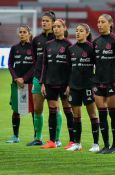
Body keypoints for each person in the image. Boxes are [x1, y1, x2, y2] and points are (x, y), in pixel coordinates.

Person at [30, 11, 63, 146]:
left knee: (55, 108)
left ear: (53, 23)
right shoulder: (37, 40)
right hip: (38, 78)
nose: (44, 23)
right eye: (42, 20)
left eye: (47, 21)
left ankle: (57, 138)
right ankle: (38, 138)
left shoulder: (58, 39)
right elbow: (34, 59)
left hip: (53, 80)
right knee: (37, 108)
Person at [40, 19, 74, 149]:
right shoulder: (48, 44)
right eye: (54, 27)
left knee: (68, 111)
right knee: (52, 111)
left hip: (64, 84)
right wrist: (43, 82)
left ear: (64, 28)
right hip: (50, 82)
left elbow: (71, 67)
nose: (55, 29)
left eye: (58, 26)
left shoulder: (69, 45)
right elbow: (44, 64)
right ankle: (52, 141)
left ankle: (72, 141)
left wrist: (69, 84)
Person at [65, 23, 99, 151]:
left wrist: (94, 84)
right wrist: (68, 84)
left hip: (88, 87)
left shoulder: (92, 48)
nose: (78, 33)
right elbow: (68, 69)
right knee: (76, 116)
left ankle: (96, 144)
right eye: (77, 30)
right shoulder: (71, 49)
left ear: (87, 33)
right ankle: (77, 144)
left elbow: (98, 67)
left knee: (93, 115)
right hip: (74, 86)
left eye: (81, 31)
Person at [92, 14, 115, 153]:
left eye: (102, 22)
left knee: (113, 114)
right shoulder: (96, 42)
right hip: (98, 82)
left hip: (112, 83)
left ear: (110, 24)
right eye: (98, 22)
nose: (99, 24)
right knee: (102, 114)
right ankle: (106, 145)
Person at [6, 25, 34, 143]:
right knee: (16, 110)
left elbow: (35, 66)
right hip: (17, 84)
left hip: (30, 84)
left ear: (29, 33)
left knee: (34, 110)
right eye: (20, 32)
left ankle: (37, 137)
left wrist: (25, 78)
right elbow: (10, 64)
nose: (22, 34)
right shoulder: (14, 48)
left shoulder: (33, 48)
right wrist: (16, 78)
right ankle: (15, 136)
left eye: (24, 32)